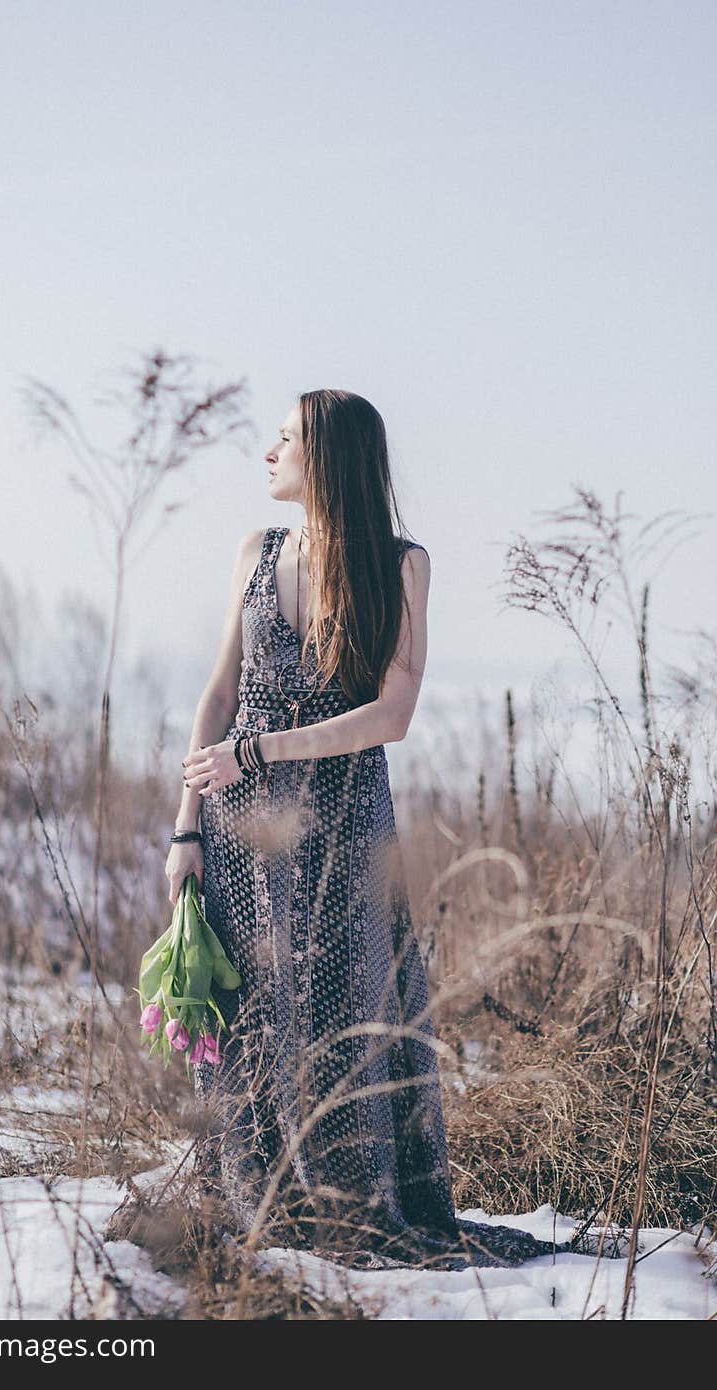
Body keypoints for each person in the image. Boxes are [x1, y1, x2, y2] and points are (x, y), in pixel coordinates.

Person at [164, 389, 595, 1271]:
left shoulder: (400, 564)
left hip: (345, 829)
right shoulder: (258, 551)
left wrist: (263, 751)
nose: (268, 450)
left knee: (343, 1015)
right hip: (241, 830)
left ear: (328, 457)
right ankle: (255, 1201)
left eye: (285, 438)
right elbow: (218, 692)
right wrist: (187, 831)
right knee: (250, 1009)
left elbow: (392, 713)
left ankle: (353, 1212)